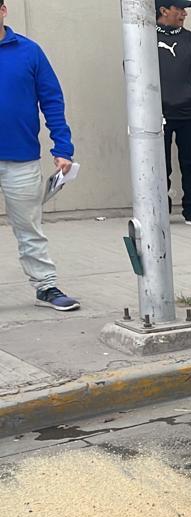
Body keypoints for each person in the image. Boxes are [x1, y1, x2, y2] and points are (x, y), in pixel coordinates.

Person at [0, 0, 79, 311]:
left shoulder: (29, 51)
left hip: (21, 158)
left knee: (29, 228)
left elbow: (52, 100)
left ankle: (46, 287)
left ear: (4, 9)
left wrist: (63, 148)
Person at [156, 0, 191, 228]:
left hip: (188, 113)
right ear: (163, 10)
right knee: (160, 165)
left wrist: (190, 95)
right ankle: (161, 209)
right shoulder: (145, 38)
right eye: (179, 9)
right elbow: (132, 71)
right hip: (157, 115)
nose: (184, 14)